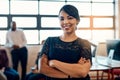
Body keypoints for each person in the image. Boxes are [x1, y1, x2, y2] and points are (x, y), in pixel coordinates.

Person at [38, 4, 92, 80]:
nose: (65, 22)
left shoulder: (84, 44)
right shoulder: (49, 41)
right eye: (62, 19)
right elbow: (43, 68)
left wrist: (54, 63)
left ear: (77, 20)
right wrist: (71, 74)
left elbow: (83, 72)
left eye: (70, 18)